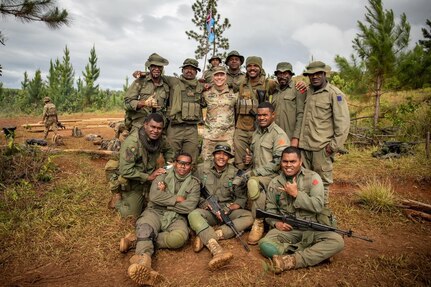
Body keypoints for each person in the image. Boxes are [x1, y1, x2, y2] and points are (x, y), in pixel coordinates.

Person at [258, 146, 344, 273]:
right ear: (281, 162)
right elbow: (270, 209)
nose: (288, 165)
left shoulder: (313, 178)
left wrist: (296, 194)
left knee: (337, 241)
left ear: (300, 162)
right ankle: (316, 254)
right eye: (285, 161)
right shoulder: (275, 183)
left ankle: (292, 260)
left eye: (293, 161)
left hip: (313, 228)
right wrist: (276, 223)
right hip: (289, 231)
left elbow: (318, 205)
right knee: (265, 245)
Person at [126, 152, 200, 286]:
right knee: (145, 227)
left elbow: (189, 207)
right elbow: (154, 197)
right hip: (155, 211)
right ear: (175, 163)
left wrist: (166, 202)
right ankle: (145, 262)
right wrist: (175, 199)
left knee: (179, 238)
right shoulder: (163, 174)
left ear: (191, 166)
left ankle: (137, 240)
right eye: (181, 163)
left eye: (187, 164)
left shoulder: (194, 184)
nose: (183, 166)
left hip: (176, 217)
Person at [188, 143, 253, 270]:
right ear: (213, 155)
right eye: (219, 153)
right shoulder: (201, 170)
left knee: (249, 216)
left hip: (226, 210)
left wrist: (228, 209)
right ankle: (215, 248)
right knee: (193, 214)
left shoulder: (236, 173)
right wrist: (204, 203)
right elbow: (193, 191)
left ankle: (209, 235)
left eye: (225, 155)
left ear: (229, 157)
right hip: (208, 211)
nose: (222, 157)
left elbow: (241, 198)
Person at [298, 61, 350, 205]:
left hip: (321, 147)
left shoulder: (334, 94)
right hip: (305, 146)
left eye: (317, 74)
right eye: (311, 75)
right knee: (305, 180)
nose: (314, 77)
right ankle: (307, 209)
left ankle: (322, 212)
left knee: (323, 182)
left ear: (324, 74)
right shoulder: (307, 91)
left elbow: (343, 124)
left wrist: (332, 147)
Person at [243, 102, 289, 245]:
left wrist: (254, 172)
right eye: (259, 115)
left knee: (253, 182)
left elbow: (277, 164)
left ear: (273, 115)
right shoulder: (257, 132)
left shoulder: (278, 135)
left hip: (274, 177)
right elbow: (257, 155)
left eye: (265, 115)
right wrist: (249, 160)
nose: (261, 118)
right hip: (259, 173)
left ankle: (259, 222)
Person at [117, 113, 174, 218]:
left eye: (159, 128)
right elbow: (125, 170)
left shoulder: (161, 139)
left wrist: (167, 166)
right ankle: (117, 199)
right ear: (145, 125)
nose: (156, 131)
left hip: (150, 178)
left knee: (161, 205)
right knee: (130, 215)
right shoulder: (133, 143)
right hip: (135, 181)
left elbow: (169, 151)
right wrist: (148, 177)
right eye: (153, 127)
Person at [234, 56, 278, 170]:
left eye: (255, 66)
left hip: (258, 130)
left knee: (258, 160)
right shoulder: (241, 84)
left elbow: (285, 86)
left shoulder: (269, 83)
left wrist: (301, 85)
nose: (252, 68)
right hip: (241, 130)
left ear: (260, 67)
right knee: (240, 162)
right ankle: (241, 184)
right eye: (249, 66)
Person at [124, 53, 170, 131]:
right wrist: (144, 103)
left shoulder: (166, 85)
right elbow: (126, 103)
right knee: (132, 142)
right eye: (154, 66)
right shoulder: (140, 82)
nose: (157, 69)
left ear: (162, 68)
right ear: (149, 67)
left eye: (159, 66)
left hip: (159, 125)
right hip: (141, 123)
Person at [200, 66, 238, 161]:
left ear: (226, 77)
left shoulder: (234, 93)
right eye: (216, 75)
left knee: (227, 164)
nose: (219, 77)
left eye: (222, 75)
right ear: (213, 77)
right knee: (207, 164)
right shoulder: (206, 93)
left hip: (227, 137)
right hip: (210, 136)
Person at [271, 62, 305, 147]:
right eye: (280, 73)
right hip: (275, 136)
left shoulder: (297, 89)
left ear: (290, 75)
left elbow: (301, 115)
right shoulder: (275, 91)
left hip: (290, 137)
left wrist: (295, 137)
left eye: (285, 73)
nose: (282, 76)